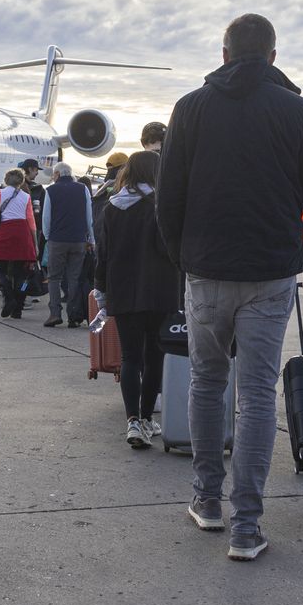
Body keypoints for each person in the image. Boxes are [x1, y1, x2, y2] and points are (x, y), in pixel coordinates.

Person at [157, 13, 303, 561]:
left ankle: (207, 501)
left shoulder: (190, 108)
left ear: (224, 53)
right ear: (273, 56)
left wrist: (182, 257)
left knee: (207, 383)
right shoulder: (297, 110)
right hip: (269, 270)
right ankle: (247, 527)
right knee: (257, 395)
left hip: (206, 270)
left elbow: (170, 196)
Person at [95, 151, 178, 448]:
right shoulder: (160, 205)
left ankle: (132, 421)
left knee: (130, 357)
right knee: (155, 355)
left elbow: (102, 254)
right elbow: (169, 250)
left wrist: (101, 289)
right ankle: (145, 418)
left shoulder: (112, 207)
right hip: (159, 291)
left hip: (123, 290)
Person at [41, 162, 94, 328]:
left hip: (57, 240)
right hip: (78, 240)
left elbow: (46, 218)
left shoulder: (50, 190)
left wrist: (48, 237)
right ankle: (73, 315)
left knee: (54, 278)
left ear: (57, 174)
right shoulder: (82, 189)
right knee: (74, 278)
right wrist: (90, 239)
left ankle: (55, 313)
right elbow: (89, 216)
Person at [0, 168, 37, 319]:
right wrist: (34, 243)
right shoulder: (26, 197)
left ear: (6, 180)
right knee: (22, 274)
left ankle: (8, 297)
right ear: (21, 181)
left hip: (6, 232)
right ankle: (18, 308)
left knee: (1, 271)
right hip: (23, 234)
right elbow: (31, 221)